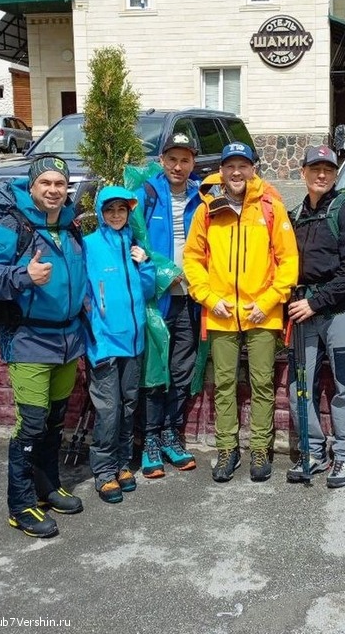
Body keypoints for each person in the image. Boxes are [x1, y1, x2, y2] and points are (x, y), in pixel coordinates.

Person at [0, 156, 87, 537]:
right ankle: (20, 504)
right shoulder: (13, 226)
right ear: (32, 186)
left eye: (60, 183)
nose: (54, 190)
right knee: (32, 424)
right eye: (46, 183)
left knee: (55, 420)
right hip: (29, 340)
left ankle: (47, 488)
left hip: (68, 340)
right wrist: (24, 275)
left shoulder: (69, 227)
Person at [183, 142, 298, 483]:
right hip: (220, 312)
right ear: (221, 170)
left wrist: (267, 302)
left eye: (243, 165)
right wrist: (208, 297)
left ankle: (260, 448)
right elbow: (193, 259)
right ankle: (227, 449)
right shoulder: (207, 210)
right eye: (230, 166)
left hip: (262, 312)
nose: (236, 172)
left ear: (253, 169)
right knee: (224, 385)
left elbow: (288, 261)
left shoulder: (271, 207)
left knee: (262, 383)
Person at [287, 145, 345, 488]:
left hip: (341, 311)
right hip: (304, 312)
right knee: (299, 387)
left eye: (328, 170)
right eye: (315, 169)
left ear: (335, 174)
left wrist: (316, 302)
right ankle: (313, 452)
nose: (321, 175)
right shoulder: (294, 216)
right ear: (303, 172)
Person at [83, 187, 156, 504]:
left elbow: (147, 291)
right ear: (101, 213)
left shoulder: (133, 245)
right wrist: (95, 340)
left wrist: (146, 264)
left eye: (122, 209)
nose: (116, 215)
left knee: (128, 407)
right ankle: (103, 471)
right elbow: (85, 297)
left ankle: (122, 464)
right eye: (110, 209)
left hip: (133, 343)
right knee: (108, 411)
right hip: (104, 344)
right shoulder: (89, 246)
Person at [135, 132, 201, 478]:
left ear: (193, 163)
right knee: (154, 369)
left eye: (185, 160)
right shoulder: (146, 194)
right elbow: (134, 242)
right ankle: (149, 438)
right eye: (172, 159)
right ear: (162, 161)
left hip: (190, 300)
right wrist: (165, 275)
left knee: (180, 370)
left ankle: (171, 434)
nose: (178, 166)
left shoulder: (202, 196)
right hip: (157, 299)